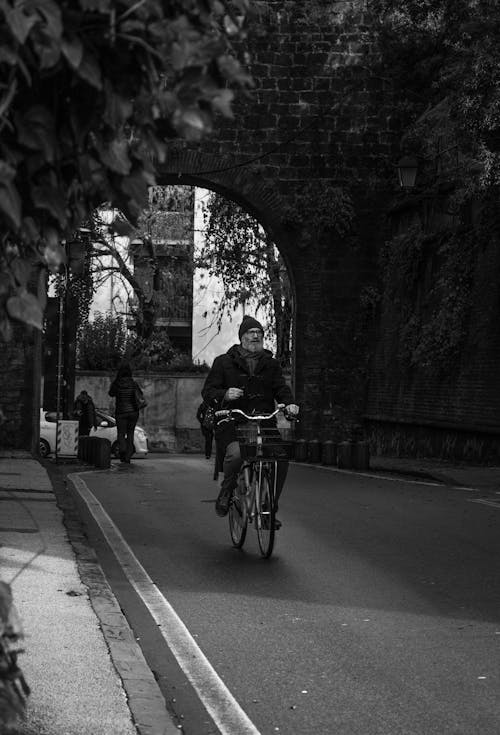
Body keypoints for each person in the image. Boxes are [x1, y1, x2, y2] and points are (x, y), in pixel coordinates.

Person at [201, 315, 299, 526]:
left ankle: (268, 509)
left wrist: (289, 404)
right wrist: (225, 394)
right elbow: (208, 392)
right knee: (236, 454)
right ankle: (227, 490)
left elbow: (281, 389)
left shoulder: (270, 364)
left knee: (281, 458)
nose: (256, 336)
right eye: (251, 333)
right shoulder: (224, 362)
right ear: (242, 337)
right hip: (233, 422)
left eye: (259, 333)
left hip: (264, 423)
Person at [108, 363, 141, 463]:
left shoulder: (117, 383)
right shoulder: (133, 383)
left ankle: (122, 451)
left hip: (121, 412)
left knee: (121, 434)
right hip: (133, 412)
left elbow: (111, 393)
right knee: (130, 434)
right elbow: (140, 395)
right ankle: (128, 456)